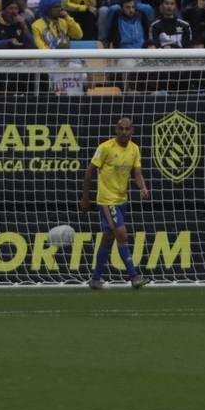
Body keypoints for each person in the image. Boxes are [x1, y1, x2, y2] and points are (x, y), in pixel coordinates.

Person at [79, 116, 151, 290]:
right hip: (106, 199)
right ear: (116, 130)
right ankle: (134, 277)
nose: (124, 132)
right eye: (121, 129)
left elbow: (137, 174)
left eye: (127, 129)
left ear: (132, 131)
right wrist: (85, 197)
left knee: (108, 239)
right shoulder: (105, 148)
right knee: (122, 234)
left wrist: (143, 187)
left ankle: (95, 279)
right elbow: (89, 172)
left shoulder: (135, 149)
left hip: (122, 200)